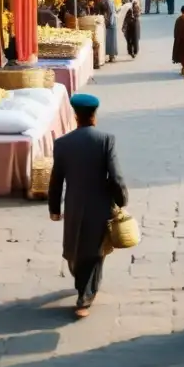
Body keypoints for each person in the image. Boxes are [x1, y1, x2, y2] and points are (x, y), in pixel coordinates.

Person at [48, 93, 129, 319]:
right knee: (95, 250)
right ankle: (84, 297)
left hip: (74, 204)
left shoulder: (62, 144)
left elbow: (56, 180)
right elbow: (116, 177)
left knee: (77, 246)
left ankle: (83, 286)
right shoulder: (106, 140)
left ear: (76, 116)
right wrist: (122, 199)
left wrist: (54, 208)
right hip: (100, 204)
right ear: (94, 116)